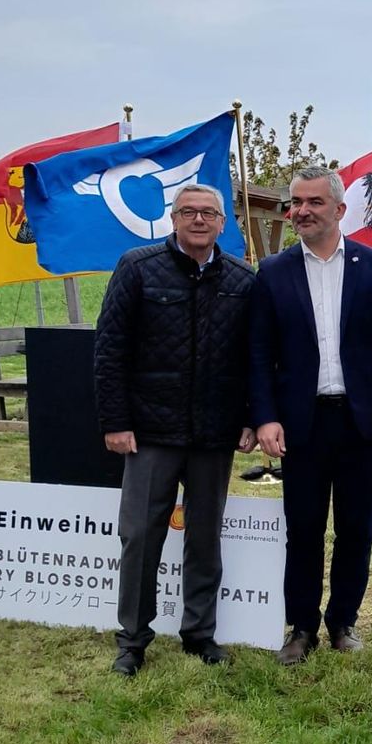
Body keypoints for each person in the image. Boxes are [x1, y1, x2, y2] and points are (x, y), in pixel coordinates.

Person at [94, 182, 256, 676]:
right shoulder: (137, 268)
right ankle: (133, 640)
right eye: (189, 212)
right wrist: (116, 422)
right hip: (150, 433)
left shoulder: (242, 279)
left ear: (223, 223)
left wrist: (249, 417)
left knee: (204, 537)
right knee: (141, 535)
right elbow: (110, 350)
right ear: (174, 218)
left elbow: (253, 359)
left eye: (209, 213)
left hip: (213, 435)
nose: (200, 220)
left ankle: (199, 634)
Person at [249, 165, 372, 662]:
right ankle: (301, 627)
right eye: (296, 202)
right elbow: (258, 353)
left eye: (314, 202)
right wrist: (265, 417)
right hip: (301, 424)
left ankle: (344, 622)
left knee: (357, 528)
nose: (302, 211)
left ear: (339, 210)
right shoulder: (273, 273)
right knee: (304, 529)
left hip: (361, 422)